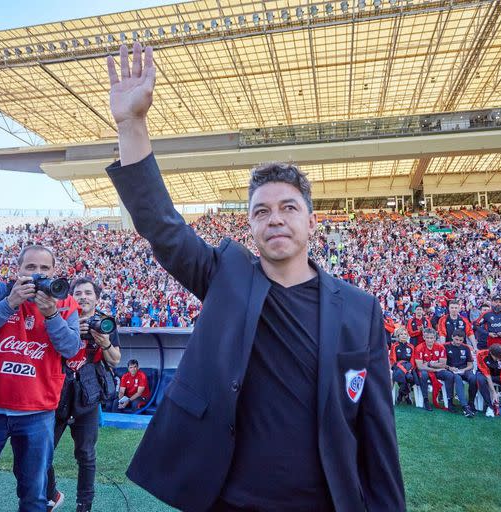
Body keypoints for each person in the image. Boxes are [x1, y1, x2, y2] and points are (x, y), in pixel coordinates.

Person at [105, 43, 404, 511]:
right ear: (250, 226)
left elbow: (376, 427)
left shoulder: (360, 309)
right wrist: (131, 124)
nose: (275, 219)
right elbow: (161, 225)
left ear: (311, 222)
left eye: (289, 208)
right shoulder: (227, 274)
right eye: (261, 211)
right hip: (228, 500)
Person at [0, 245, 81, 511]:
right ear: (18, 270)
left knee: (34, 496)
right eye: (30, 267)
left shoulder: (64, 301)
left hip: (38, 411)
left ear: (54, 272)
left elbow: (71, 349)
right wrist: (10, 304)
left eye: (44, 268)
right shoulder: (0, 291)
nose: (38, 274)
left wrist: (51, 315)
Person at [47, 278, 121, 512]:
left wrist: (105, 343)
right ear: (70, 296)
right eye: (78, 293)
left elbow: (116, 359)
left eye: (88, 293)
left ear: (96, 298)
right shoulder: (58, 316)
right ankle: (50, 494)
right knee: (43, 450)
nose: (83, 297)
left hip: (87, 395)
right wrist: (69, 330)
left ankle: (84, 505)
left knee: (86, 454)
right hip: (57, 393)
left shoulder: (105, 323)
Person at [440, 332, 476, 417]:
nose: (458, 342)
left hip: (464, 370)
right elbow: (441, 363)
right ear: (452, 337)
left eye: (460, 340)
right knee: (457, 378)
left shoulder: (466, 348)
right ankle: (465, 407)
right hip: (451, 370)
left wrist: (464, 369)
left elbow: (470, 365)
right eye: (456, 339)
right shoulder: (445, 346)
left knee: (473, 378)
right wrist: (449, 368)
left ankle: (471, 402)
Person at [412, 328, 447, 411]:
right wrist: (435, 368)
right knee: (423, 374)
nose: (429, 340)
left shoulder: (440, 347)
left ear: (435, 338)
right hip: (426, 371)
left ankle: (449, 400)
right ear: (424, 337)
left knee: (449, 375)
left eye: (431, 338)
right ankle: (426, 399)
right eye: (427, 338)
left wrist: (429, 364)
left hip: (434, 369)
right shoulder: (419, 348)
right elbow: (420, 366)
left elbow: (443, 364)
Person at [475, 344, 501, 418]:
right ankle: (489, 406)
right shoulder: (481, 354)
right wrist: (493, 392)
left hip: (498, 376)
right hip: (484, 374)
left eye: (500, 358)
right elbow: (487, 374)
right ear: (491, 353)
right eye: (497, 357)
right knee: (480, 379)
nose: (499, 359)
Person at [389, 328, 415, 405]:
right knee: (403, 374)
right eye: (401, 334)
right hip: (398, 367)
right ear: (398, 336)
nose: (404, 336)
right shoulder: (394, 346)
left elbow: (412, 360)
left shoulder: (411, 346)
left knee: (410, 376)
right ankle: (406, 395)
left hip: (409, 367)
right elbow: (393, 360)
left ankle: (401, 393)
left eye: (405, 334)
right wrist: (402, 368)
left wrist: (410, 369)